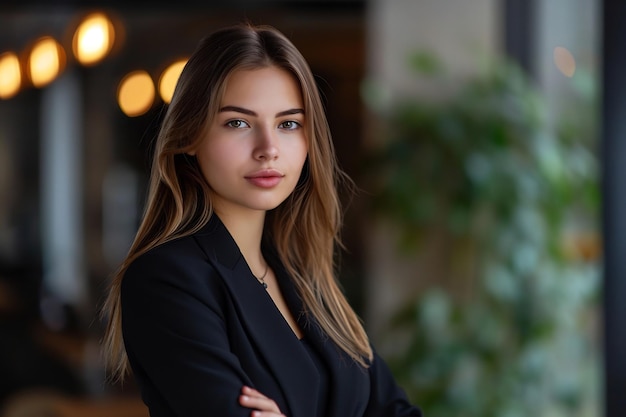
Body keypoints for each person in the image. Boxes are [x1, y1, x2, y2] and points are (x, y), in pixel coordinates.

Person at [102, 23, 422, 417]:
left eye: (289, 124)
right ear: (188, 136)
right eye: (238, 123)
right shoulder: (166, 278)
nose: (268, 149)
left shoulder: (305, 276)